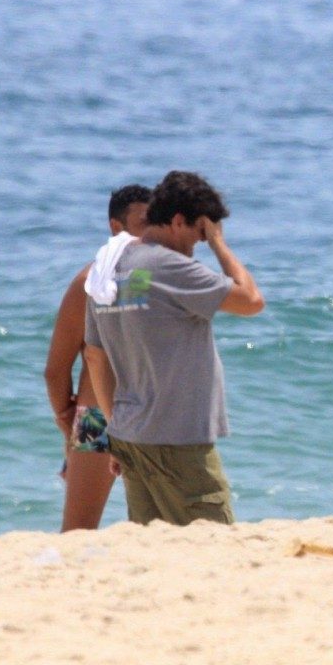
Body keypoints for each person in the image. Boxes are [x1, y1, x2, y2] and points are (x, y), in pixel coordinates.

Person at [83, 171, 264, 527]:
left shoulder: (105, 270)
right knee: (216, 542)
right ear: (179, 221)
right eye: (198, 236)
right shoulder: (169, 266)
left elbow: (94, 358)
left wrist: (116, 430)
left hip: (131, 435)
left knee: (156, 551)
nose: (198, 246)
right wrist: (220, 245)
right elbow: (252, 301)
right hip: (177, 439)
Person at [44, 184, 152, 532]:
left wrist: (66, 420)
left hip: (105, 415)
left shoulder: (89, 282)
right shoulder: (93, 283)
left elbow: (55, 370)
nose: (150, 231)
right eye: (143, 222)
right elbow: (56, 369)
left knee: (80, 529)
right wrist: (67, 421)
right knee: (79, 531)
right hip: (111, 417)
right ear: (115, 227)